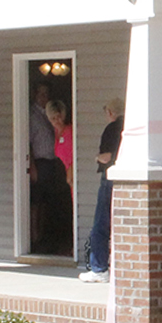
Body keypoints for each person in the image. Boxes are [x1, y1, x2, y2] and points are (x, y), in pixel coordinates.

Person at [80, 98, 124, 282]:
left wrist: (97, 158)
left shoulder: (111, 129)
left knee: (101, 224)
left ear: (110, 113)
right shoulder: (129, 128)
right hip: (125, 180)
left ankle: (99, 268)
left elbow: (107, 157)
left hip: (109, 179)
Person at [27, 81, 58, 252]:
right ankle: (34, 236)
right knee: (36, 202)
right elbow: (28, 143)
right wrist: (32, 167)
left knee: (46, 201)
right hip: (38, 162)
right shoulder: (32, 115)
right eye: (41, 94)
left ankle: (43, 234)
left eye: (46, 94)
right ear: (35, 95)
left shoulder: (49, 114)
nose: (44, 97)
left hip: (51, 162)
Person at [43, 99, 75, 254]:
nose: (57, 121)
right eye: (53, 118)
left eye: (59, 116)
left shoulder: (69, 131)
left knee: (75, 209)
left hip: (72, 175)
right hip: (64, 174)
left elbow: (74, 156)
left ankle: (75, 246)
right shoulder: (56, 133)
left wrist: (70, 175)